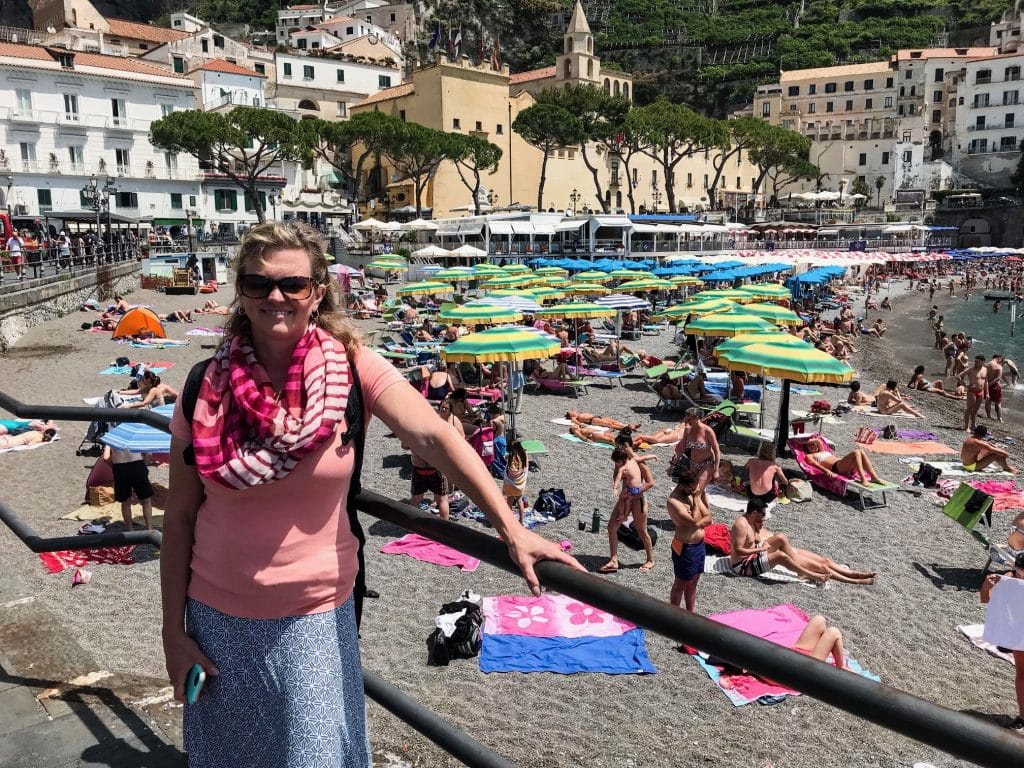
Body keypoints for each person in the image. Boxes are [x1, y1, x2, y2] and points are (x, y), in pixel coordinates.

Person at [160, 222, 581, 766]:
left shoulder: (352, 368)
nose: (276, 297)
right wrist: (174, 632)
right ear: (241, 292)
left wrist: (510, 526)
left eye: (292, 284)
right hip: (216, 622)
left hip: (315, 617)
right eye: (258, 284)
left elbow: (433, 434)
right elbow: (179, 520)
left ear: (317, 292)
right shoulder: (205, 386)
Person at [729, 499, 875, 584]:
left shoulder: (751, 520)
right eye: (761, 517)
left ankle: (854, 573)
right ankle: (854, 580)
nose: (762, 520)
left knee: (782, 538)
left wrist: (759, 538)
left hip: (754, 555)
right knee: (782, 556)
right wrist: (759, 549)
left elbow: (756, 535)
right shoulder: (741, 524)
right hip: (743, 566)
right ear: (754, 513)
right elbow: (739, 550)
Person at [979, 553, 1024, 733]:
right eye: (1019, 574)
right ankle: (1022, 716)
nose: (1021, 577)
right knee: (1022, 673)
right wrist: (986, 586)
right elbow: (985, 599)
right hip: (1019, 631)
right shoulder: (1008, 579)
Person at [602, 446, 656, 574]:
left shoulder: (639, 463)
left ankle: (650, 559)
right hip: (625, 499)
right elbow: (617, 479)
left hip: (638, 500)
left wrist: (634, 493)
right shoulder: (621, 465)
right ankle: (614, 560)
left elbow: (650, 483)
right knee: (612, 528)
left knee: (642, 531)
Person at [666, 468, 711, 612]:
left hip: (698, 545)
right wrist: (697, 499)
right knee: (681, 582)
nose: (694, 491)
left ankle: (691, 612)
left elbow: (708, 518)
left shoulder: (691, 493)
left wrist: (698, 520)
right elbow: (694, 521)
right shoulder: (674, 501)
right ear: (683, 485)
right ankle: (674, 614)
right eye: (691, 488)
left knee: (693, 581)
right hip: (685, 547)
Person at [102, 444, 154, 531]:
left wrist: (114, 466)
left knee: (125, 501)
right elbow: (149, 454)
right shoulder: (136, 434)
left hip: (120, 467)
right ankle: (149, 528)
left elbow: (106, 458)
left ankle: (130, 529)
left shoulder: (112, 437)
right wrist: (144, 464)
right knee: (146, 499)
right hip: (137, 465)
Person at [801, 435, 885, 485]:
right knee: (856, 452)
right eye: (810, 446)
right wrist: (826, 470)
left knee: (861, 451)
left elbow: (818, 440)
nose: (813, 446)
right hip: (837, 467)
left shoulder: (822, 450)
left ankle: (874, 477)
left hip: (846, 466)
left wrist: (812, 440)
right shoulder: (809, 456)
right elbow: (816, 465)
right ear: (806, 448)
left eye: (814, 445)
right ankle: (863, 479)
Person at [961, 354, 989, 432]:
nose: (975, 363)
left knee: (976, 410)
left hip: (981, 392)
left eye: (978, 362)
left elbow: (986, 382)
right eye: (975, 361)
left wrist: (987, 393)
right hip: (972, 392)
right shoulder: (971, 370)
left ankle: (973, 425)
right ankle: (966, 427)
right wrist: (966, 385)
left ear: (983, 362)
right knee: (969, 409)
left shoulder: (985, 369)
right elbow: (958, 376)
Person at [565, 411, 640, 431]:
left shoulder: (579, 414)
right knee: (610, 424)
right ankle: (627, 428)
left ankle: (628, 425)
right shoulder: (574, 417)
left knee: (613, 421)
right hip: (593, 420)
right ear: (571, 415)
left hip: (597, 417)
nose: (573, 410)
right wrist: (582, 425)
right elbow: (576, 422)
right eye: (571, 411)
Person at [985, 354, 1005, 422]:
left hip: (987, 384)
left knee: (988, 401)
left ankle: (988, 416)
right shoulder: (999, 366)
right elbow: (998, 378)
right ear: (999, 358)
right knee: (998, 403)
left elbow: (985, 376)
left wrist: (987, 384)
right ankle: (999, 418)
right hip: (995, 386)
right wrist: (990, 384)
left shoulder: (987, 365)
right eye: (1000, 359)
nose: (1001, 361)